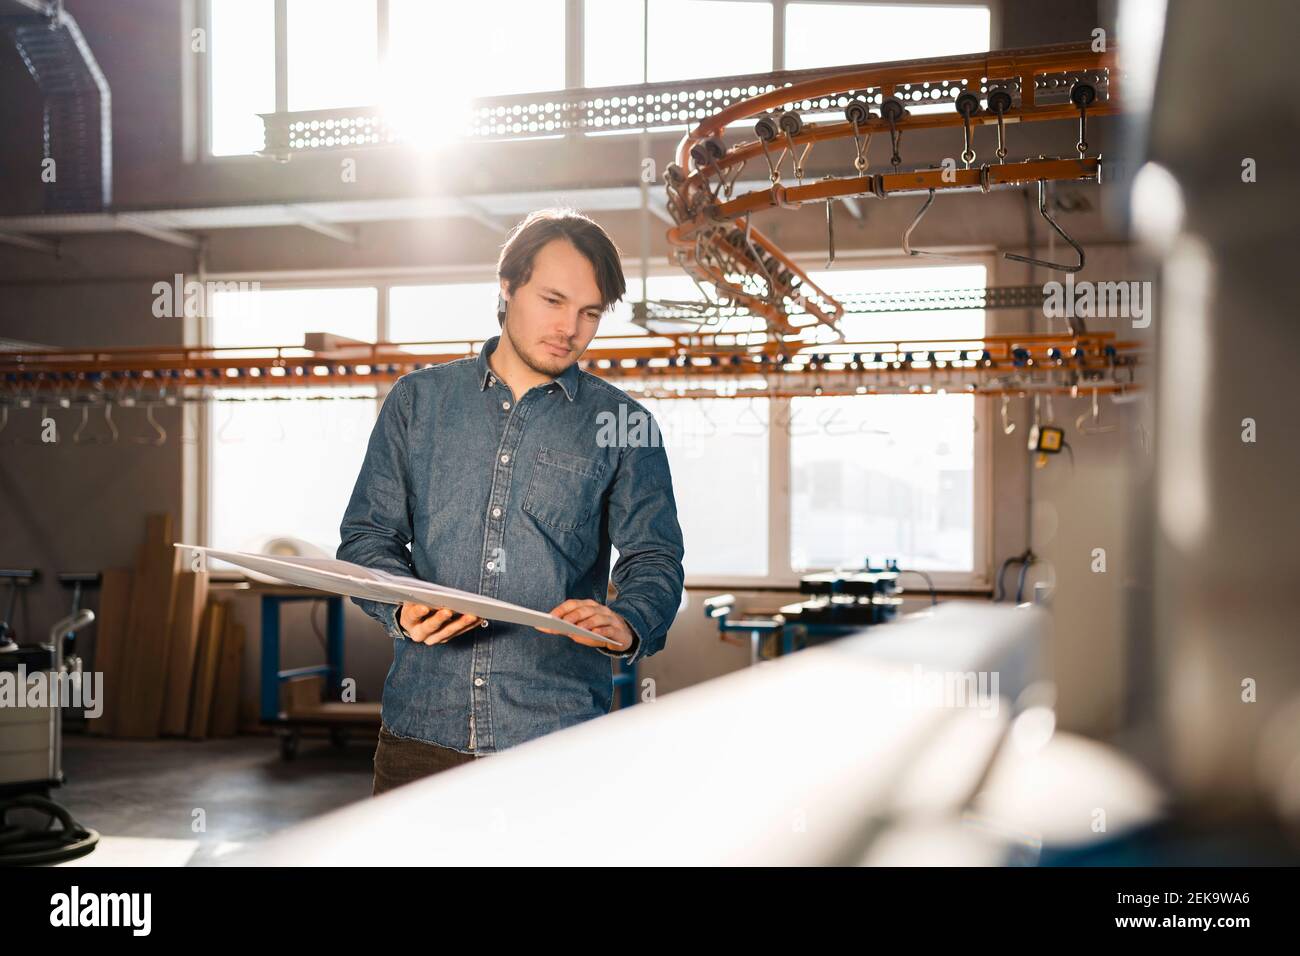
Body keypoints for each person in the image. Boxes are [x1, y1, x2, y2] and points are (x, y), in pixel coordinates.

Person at [338, 207, 686, 796]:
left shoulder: (625, 424)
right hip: (421, 739)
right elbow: (367, 538)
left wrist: (628, 621)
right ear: (507, 287)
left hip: (559, 742)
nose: (570, 328)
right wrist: (401, 606)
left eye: (590, 312)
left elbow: (654, 558)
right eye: (553, 301)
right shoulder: (417, 403)